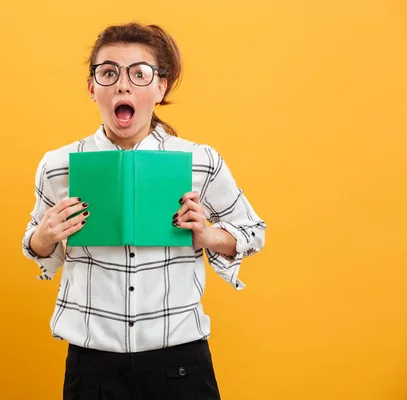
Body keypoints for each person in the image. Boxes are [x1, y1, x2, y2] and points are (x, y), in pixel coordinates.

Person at [22, 22, 266, 400]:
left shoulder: (199, 160)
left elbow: (254, 231)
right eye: (108, 73)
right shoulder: (58, 165)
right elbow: (39, 249)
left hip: (179, 363)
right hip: (92, 366)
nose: (123, 85)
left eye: (139, 74)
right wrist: (45, 235)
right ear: (92, 88)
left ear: (160, 88)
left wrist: (209, 234)